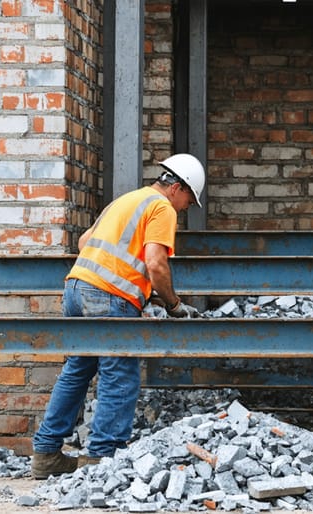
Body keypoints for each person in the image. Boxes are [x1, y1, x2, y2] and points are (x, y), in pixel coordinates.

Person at [31, 153, 206, 479]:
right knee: (120, 374)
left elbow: (86, 242)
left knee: (77, 370)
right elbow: (155, 263)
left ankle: (46, 455)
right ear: (177, 188)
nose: (185, 208)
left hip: (75, 288)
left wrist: (135, 285)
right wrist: (173, 304)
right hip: (108, 297)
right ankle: (102, 461)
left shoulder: (126, 200)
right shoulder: (162, 208)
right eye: (188, 200)